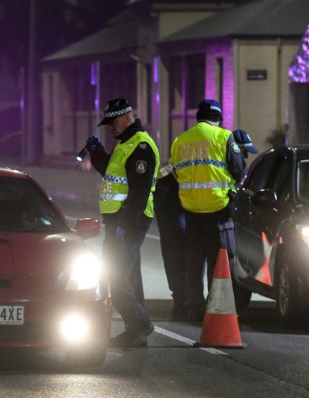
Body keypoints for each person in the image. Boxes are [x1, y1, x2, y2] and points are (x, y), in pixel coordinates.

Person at [84, 98, 159, 348]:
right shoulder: (125, 144)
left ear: (127, 118)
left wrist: (124, 225)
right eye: (107, 124)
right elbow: (111, 171)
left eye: (113, 122)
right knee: (129, 277)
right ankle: (135, 332)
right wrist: (96, 152)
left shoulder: (141, 147)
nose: (110, 128)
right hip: (119, 219)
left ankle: (140, 323)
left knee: (114, 277)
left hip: (129, 220)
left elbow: (139, 192)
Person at [169, 99, 245, 321]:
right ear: (218, 119)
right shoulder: (224, 136)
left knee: (193, 260)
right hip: (217, 209)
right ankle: (217, 307)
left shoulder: (180, 140)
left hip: (190, 210)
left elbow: (173, 171)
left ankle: (193, 306)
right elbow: (239, 170)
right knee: (218, 260)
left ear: (198, 117)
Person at [154, 162, 186, 320]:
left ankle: (183, 299)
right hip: (175, 212)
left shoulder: (173, 161)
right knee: (177, 256)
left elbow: (159, 177)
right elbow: (160, 177)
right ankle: (184, 299)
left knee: (175, 256)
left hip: (177, 212)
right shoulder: (171, 164)